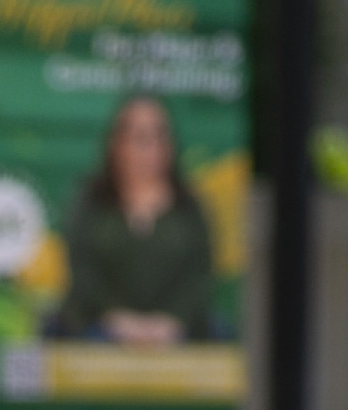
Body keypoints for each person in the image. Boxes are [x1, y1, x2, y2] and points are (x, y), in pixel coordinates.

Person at [52, 93, 224, 345]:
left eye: (159, 136)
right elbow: (82, 272)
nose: (151, 148)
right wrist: (117, 320)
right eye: (140, 137)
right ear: (117, 143)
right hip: (101, 328)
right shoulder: (90, 202)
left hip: (175, 331)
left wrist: (170, 322)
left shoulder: (190, 206)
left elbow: (199, 276)